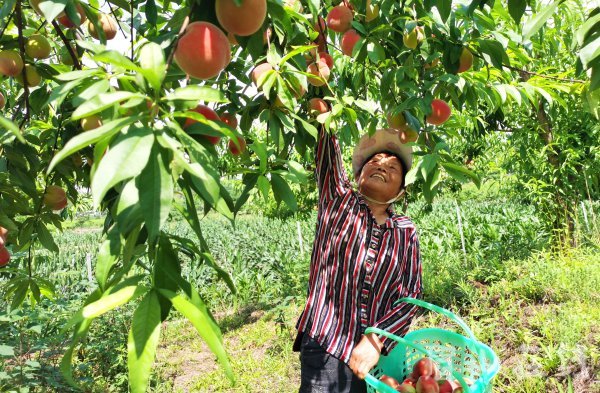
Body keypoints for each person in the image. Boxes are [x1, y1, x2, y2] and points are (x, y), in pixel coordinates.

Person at [293, 127, 423, 392]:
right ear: (358, 175)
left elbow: (412, 295)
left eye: (393, 168)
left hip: (378, 358)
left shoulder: (405, 230)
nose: (382, 166)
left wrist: (377, 340)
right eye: (374, 161)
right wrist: (322, 102)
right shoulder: (338, 200)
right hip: (326, 343)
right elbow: (326, 141)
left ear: (401, 191)